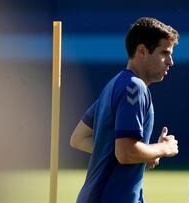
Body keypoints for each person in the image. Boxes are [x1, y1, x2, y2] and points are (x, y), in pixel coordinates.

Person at [70, 17, 179, 203]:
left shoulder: (114, 86)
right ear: (142, 51)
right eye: (164, 53)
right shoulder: (134, 87)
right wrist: (163, 148)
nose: (171, 62)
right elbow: (126, 153)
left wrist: (145, 154)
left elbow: (79, 138)